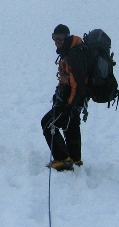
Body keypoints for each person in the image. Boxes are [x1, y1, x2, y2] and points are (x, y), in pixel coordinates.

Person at [41, 24, 88, 171]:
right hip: (75, 98)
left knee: (48, 123)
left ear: (67, 37)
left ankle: (62, 160)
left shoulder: (74, 55)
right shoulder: (71, 51)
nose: (57, 41)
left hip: (72, 99)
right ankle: (75, 159)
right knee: (71, 125)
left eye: (60, 38)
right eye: (55, 38)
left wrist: (68, 106)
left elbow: (77, 85)